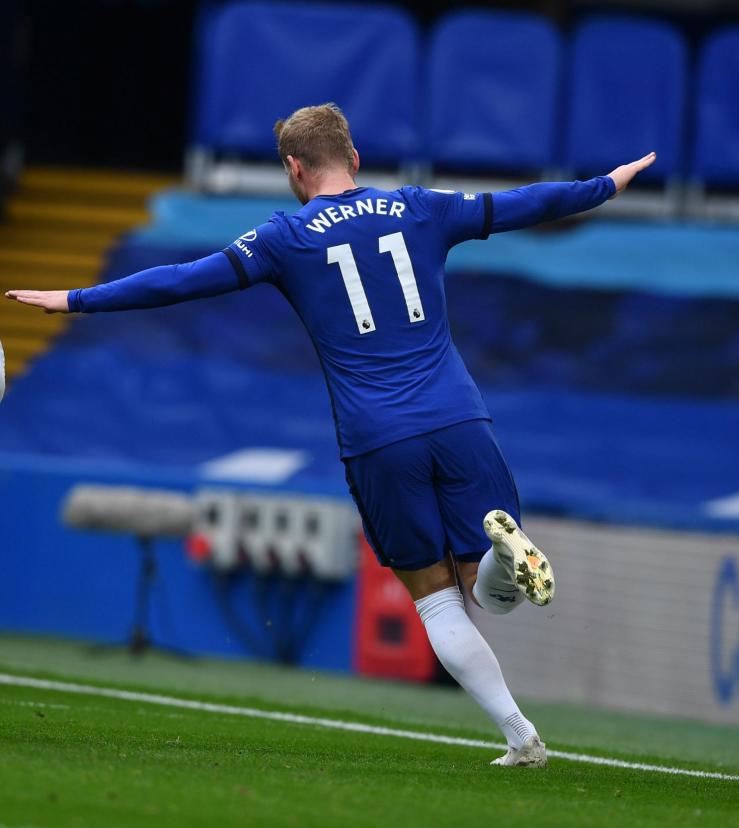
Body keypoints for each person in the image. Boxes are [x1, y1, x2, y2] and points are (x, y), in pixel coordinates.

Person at [6, 103, 655, 768]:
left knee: (434, 598)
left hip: (378, 435)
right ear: (354, 157)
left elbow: (181, 281)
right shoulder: (421, 206)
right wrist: (604, 185)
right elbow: (523, 204)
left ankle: (522, 735)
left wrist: (78, 299)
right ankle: (501, 558)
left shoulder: (284, 237)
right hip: (460, 416)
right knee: (488, 589)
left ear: (294, 168)